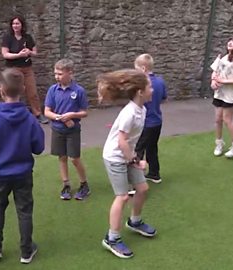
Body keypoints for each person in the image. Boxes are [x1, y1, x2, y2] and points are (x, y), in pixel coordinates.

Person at [0, 68, 45, 264]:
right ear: (23, 89)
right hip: (23, 173)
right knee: (24, 210)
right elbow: (39, 147)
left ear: (1, 90)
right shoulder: (29, 118)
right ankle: (26, 250)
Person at [98, 69, 156, 259]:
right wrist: (135, 161)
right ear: (140, 91)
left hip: (127, 155)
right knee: (122, 197)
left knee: (142, 188)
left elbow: (131, 141)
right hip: (115, 157)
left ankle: (134, 221)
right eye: (150, 87)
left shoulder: (142, 109)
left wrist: (135, 159)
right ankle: (112, 238)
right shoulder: (129, 113)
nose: (153, 90)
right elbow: (121, 142)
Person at [44, 59, 90, 200]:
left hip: (73, 130)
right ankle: (66, 185)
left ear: (70, 73)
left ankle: (84, 184)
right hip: (58, 129)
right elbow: (47, 111)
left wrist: (73, 115)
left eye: (60, 74)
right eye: (55, 74)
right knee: (62, 158)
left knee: (74, 159)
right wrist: (59, 118)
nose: (57, 76)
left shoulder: (78, 91)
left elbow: (84, 112)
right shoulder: (53, 90)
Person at [1, 15, 49, 124]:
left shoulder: (28, 37)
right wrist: (18, 55)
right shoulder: (8, 38)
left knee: (32, 93)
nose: (15, 26)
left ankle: (37, 114)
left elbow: (35, 53)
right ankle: (11, 114)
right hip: (13, 69)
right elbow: (5, 54)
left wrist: (29, 52)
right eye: (13, 24)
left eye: (17, 23)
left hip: (27, 68)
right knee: (12, 92)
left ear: (22, 25)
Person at [210, 38, 233, 158]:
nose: (230, 43)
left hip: (231, 95)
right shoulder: (222, 57)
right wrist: (213, 82)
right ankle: (219, 143)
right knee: (217, 119)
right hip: (219, 93)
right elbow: (214, 72)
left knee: (227, 119)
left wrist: (224, 81)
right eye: (229, 41)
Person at [134, 54, 167, 183]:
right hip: (157, 122)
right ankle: (154, 173)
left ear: (143, 68)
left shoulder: (141, 85)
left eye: (136, 69)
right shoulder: (160, 81)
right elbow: (163, 98)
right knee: (152, 147)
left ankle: (136, 181)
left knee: (138, 150)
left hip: (145, 123)